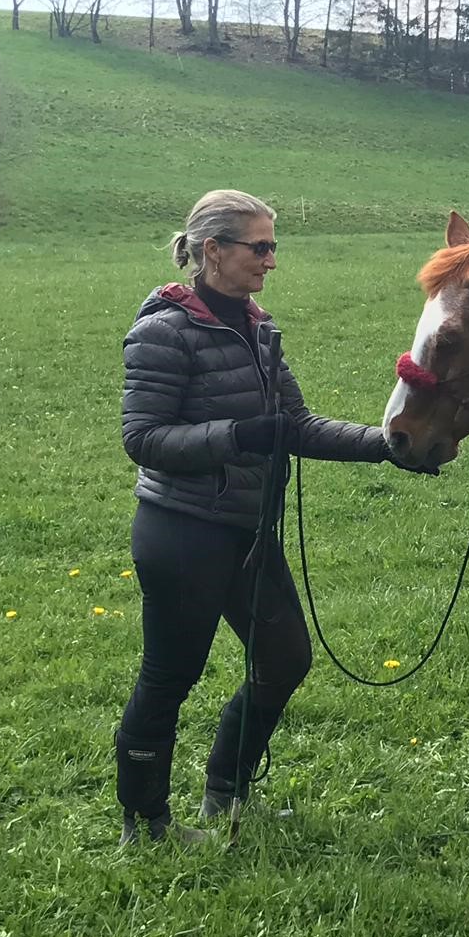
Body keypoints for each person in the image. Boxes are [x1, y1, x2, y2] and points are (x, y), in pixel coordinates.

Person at [114, 188, 416, 846]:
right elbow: (142, 438)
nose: (271, 260)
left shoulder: (259, 328)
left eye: (274, 246)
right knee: (169, 678)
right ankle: (146, 824)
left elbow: (295, 426)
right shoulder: (163, 330)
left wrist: (389, 448)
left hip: (247, 533)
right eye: (261, 246)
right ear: (213, 251)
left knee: (284, 659)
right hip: (183, 532)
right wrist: (237, 436)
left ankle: (226, 793)